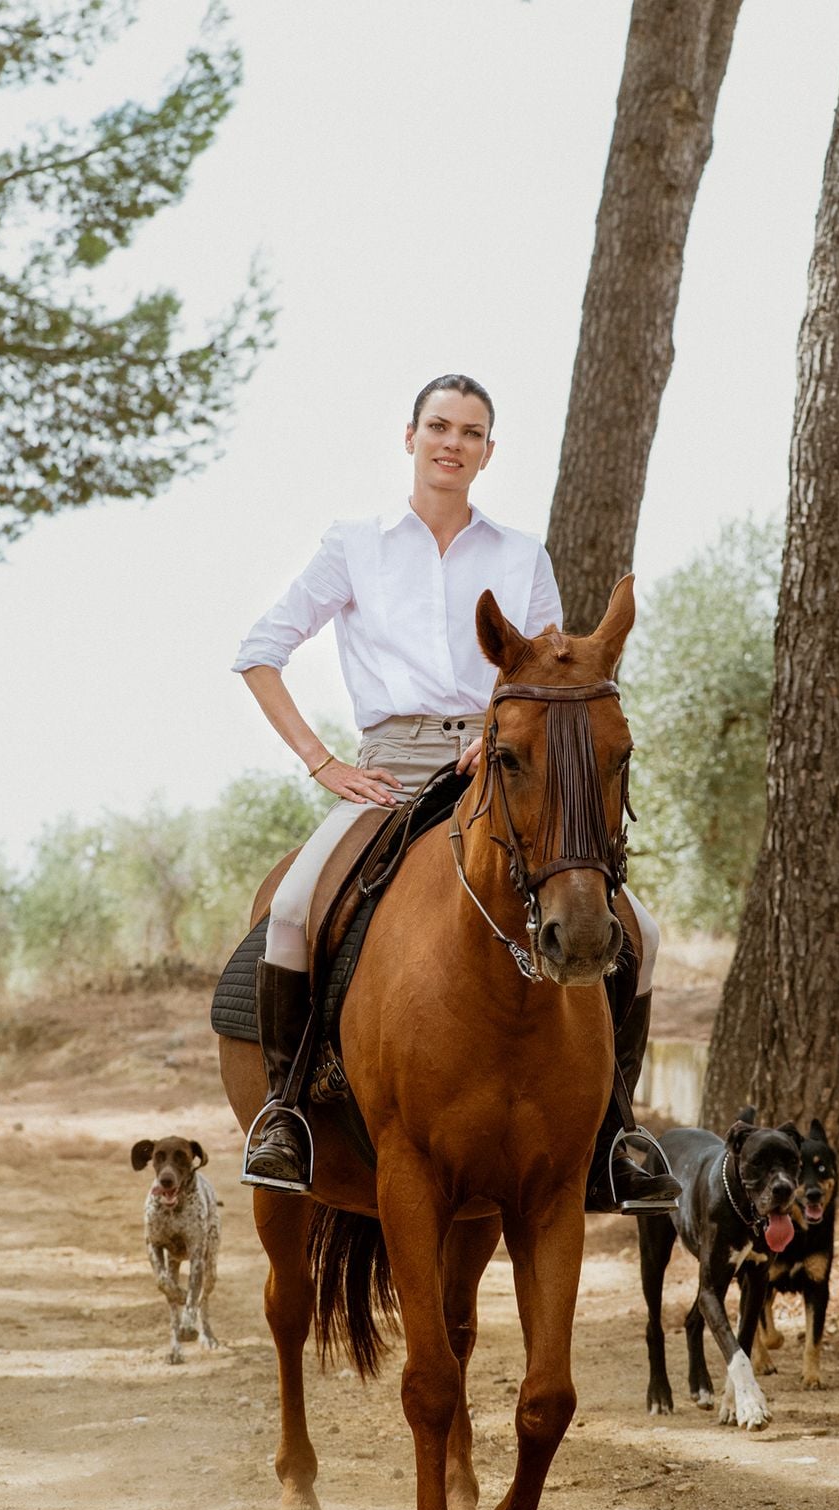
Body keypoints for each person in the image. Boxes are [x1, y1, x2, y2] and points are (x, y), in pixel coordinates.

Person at [232, 373, 679, 1213]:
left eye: (471, 432)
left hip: (499, 766)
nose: (452, 443)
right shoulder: (354, 544)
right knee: (291, 910)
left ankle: (617, 1134)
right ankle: (287, 1113)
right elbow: (261, 651)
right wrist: (321, 762)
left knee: (639, 932)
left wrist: (499, 738)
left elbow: (548, 670)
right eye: (439, 426)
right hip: (389, 771)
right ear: (410, 437)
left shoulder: (519, 556)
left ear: (487, 452)